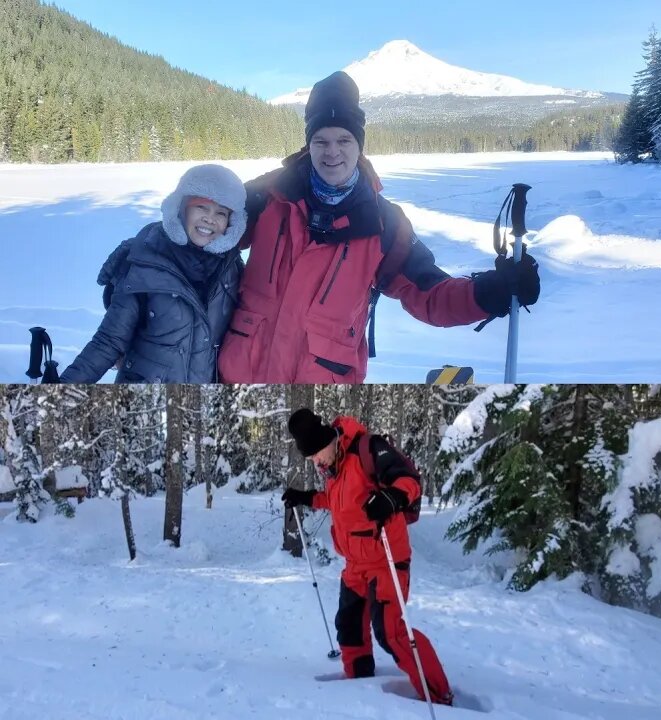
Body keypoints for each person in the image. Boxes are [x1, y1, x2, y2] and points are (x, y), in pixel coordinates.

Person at [218, 71, 541, 383]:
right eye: (321, 140)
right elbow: (203, 230)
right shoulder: (269, 196)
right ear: (309, 144)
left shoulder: (384, 222)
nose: (332, 152)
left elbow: (429, 294)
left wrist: (491, 292)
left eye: (344, 139)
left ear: (359, 145)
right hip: (242, 379)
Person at [282, 408, 453, 706]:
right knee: (348, 628)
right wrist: (307, 497)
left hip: (386, 559)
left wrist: (392, 497)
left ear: (329, 441)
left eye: (316, 455)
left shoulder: (369, 448)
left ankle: (438, 696)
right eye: (311, 460)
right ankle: (358, 689)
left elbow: (408, 480)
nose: (316, 463)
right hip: (355, 565)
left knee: (391, 633)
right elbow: (340, 503)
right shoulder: (332, 469)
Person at [60, 164, 246, 383]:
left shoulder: (231, 269)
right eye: (201, 207)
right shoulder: (145, 261)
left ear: (230, 223)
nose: (209, 218)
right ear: (182, 208)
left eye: (221, 213)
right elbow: (108, 342)